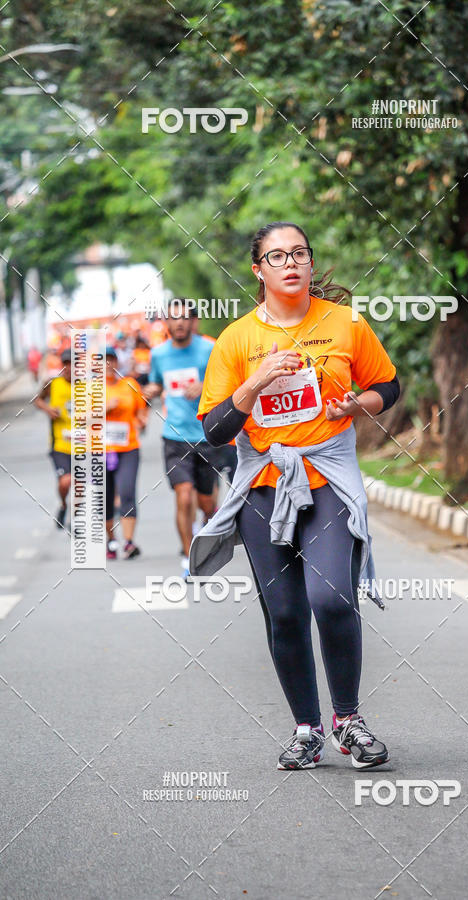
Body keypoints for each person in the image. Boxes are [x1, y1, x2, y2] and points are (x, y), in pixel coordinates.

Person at [192, 221, 400, 771]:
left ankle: (348, 722)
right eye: (277, 256)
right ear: (258, 270)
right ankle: (307, 729)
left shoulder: (344, 324)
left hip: (327, 475)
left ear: (310, 263)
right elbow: (214, 429)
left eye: (300, 254)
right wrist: (255, 380)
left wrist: (358, 407)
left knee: (331, 598)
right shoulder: (237, 340)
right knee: (284, 615)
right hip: (265, 484)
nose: (291, 263)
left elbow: (388, 387)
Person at [144, 302, 222, 573]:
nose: (178, 323)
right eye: (173, 318)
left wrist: (205, 385)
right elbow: (155, 382)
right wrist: (151, 390)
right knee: (183, 494)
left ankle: (207, 523)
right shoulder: (159, 354)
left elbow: (227, 382)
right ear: (166, 323)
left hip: (205, 433)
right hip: (174, 436)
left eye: (184, 318)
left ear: (194, 322)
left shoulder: (209, 350)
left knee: (206, 502)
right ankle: (190, 558)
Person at [105, 346, 148, 560]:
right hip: (99, 450)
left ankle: (129, 542)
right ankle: (110, 541)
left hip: (128, 447)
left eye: (111, 360)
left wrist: (142, 419)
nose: (108, 365)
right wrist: (103, 408)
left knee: (127, 491)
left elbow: (141, 407)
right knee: (105, 497)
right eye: (103, 361)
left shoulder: (130, 384)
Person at [33, 346, 73, 529]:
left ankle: (77, 519)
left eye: (74, 364)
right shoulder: (53, 383)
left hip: (83, 443)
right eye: (66, 364)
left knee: (78, 482)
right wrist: (48, 410)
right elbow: (37, 399)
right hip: (59, 444)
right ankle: (64, 504)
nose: (70, 368)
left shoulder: (88, 385)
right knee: (65, 482)